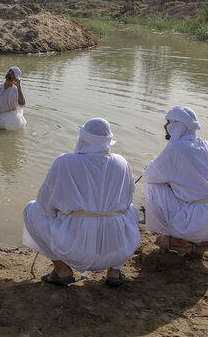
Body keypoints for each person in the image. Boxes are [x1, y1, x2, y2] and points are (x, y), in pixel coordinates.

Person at [22, 118, 140, 287]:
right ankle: (114, 271)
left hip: (74, 251)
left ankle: (62, 270)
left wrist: (69, 211)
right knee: (132, 211)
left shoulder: (65, 162)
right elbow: (127, 202)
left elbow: (44, 205)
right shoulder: (122, 162)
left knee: (31, 209)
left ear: (82, 138)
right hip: (117, 251)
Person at [143, 106, 208, 255]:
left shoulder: (176, 148)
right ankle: (199, 238)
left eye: (168, 122)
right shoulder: (205, 144)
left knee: (152, 186)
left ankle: (180, 239)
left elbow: (149, 175)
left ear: (178, 126)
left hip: (203, 220)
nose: (165, 126)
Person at [0, 67, 26, 131]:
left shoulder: (15, 91)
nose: (9, 73)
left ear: (15, 78)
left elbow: (22, 104)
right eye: (9, 71)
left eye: (12, 73)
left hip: (7, 121)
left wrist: (19, 88)